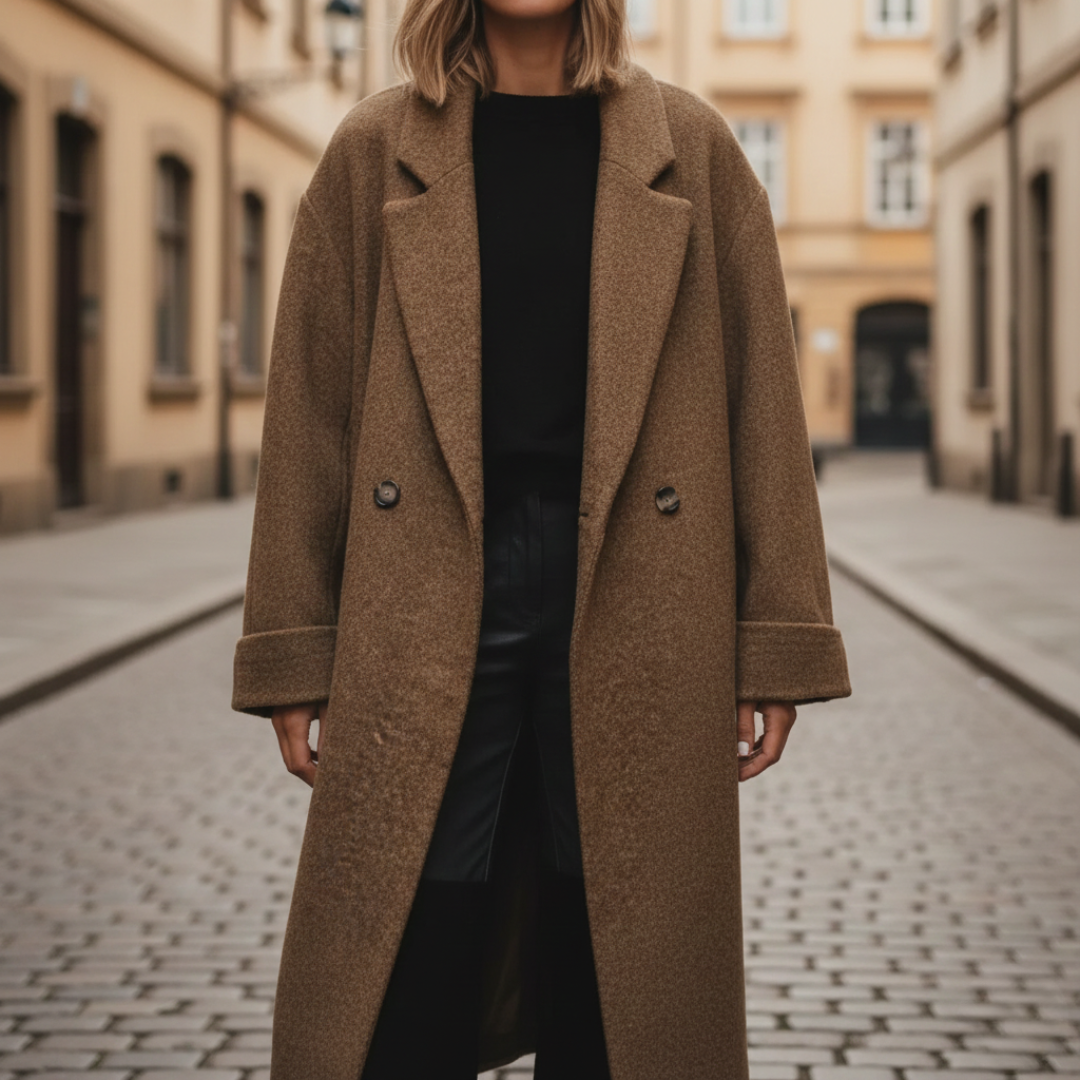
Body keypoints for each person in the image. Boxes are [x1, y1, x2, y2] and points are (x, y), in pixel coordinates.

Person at [231, 0, 851, 1071]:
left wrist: (778, 633)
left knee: (616, 939)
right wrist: (294, 641)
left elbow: (763, 401)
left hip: (639, 587)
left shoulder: (692, 151)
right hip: (426, 591)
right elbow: (310, 412)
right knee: (409, 928)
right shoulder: (372, 152)